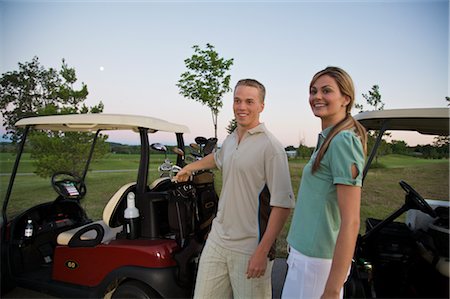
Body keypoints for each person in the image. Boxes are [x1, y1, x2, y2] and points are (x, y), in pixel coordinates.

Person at [175, 78, 295, 299]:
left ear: (261, 106)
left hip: (250, 247)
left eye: (249, 101)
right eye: (237, 100)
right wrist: (190, 167)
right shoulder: (231, 139)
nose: (242, 107)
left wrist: (262, 251)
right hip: (218, 239)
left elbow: (283, 205)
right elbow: (217, 158)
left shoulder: (271, 148)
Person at [282, 66, 367, 299]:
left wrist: (331, 289)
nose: (317, 96)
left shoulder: (343, 141)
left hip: (316, 264)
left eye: (326, 91)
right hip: (305, 258)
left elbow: (351, 221)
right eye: (313, 91)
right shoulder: (329, 138)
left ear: (345, 99)